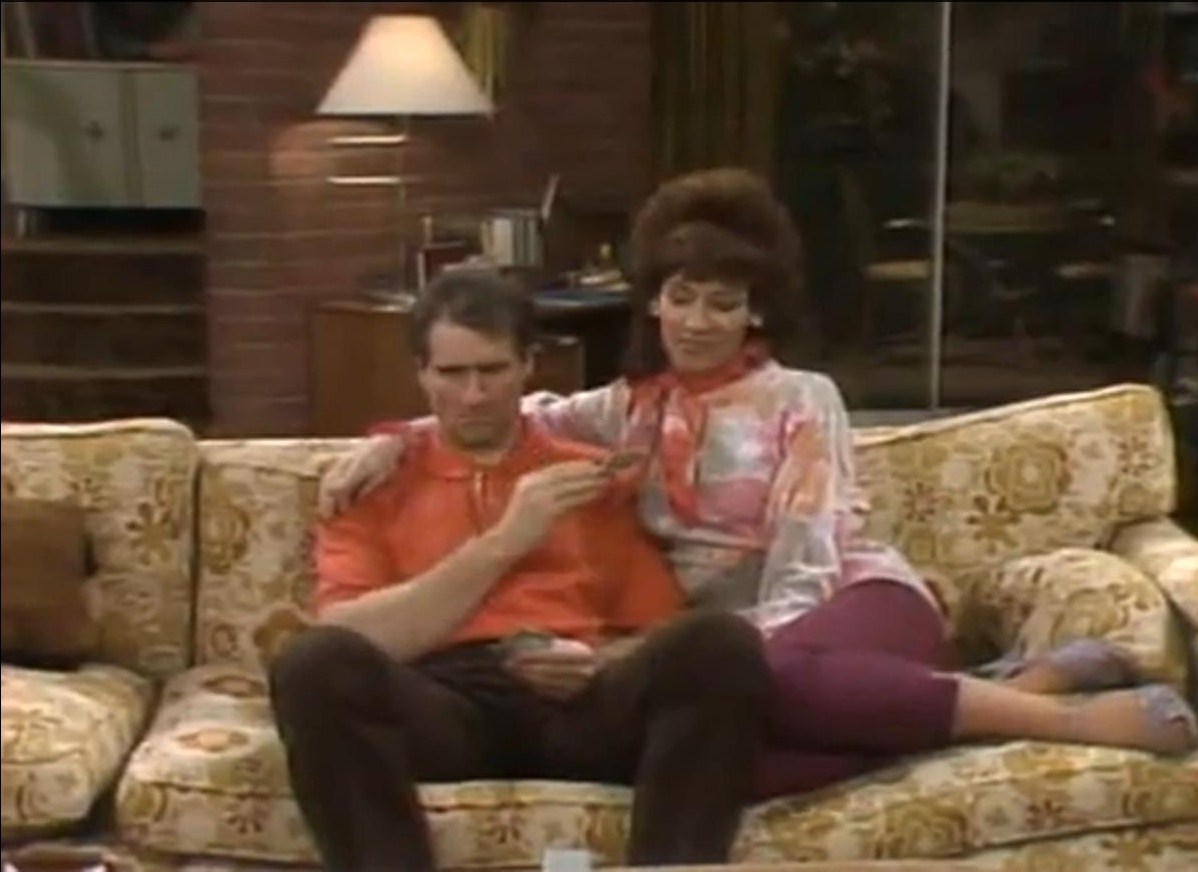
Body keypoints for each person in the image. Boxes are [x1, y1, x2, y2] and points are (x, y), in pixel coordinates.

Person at [320, 168, 1198, 802]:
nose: (698, 322)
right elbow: (505, 408)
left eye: (723, 303)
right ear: (653, 302)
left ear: (757, 311)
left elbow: (807, 573)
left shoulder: (801, 399)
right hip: (723, 650)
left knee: (760, 682)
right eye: (682, 297)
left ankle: (1059, 718)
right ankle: (1007, 690)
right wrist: (394, 442)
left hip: (849, 605)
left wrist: (691, 656)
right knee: (708, 759)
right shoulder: (627, 407)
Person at [269, 269, 772, 872]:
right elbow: (353, 635)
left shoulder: (587, 476)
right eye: (452, 374)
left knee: (720, 643)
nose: (474, 395)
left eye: (493, 370)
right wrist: (507, 540)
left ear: (529, 365)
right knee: (312, 663)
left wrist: (598, 663)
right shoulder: (372, 484)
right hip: (441, 704)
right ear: (422, 374)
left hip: (574, 704)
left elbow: (657, 625)